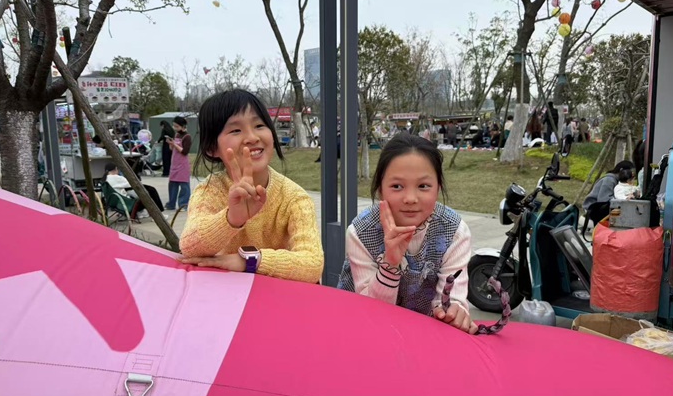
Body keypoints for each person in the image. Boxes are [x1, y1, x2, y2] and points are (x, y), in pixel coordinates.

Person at [337, 132, 478, 334]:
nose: (410, 198)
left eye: (423, 186)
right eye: (397, 186)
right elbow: (370, 312)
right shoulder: (361, 232)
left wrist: (453, 311)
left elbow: (452, 298)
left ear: (438, 188)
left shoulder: (454, 232)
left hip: (422, 333)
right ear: (380, 189)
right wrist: (390, 263)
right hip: (361, 329)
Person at [178, 88, 324, 283]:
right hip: (225, 294)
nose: (253, 137)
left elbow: (313, 264)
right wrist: (232, 219)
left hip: (277, 297)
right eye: (236, 130)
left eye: (259, 125)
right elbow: (189, 247)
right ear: (212, 148)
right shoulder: (211, 190)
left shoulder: (294, 198)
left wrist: (249, 261)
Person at [582, 160, 636, 227]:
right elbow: (603, 200)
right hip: (593, 209)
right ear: (621, 170)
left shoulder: (619, 182)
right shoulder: (609, 180)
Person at [165, 116, 192, 211]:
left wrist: (175, 145)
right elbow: (172, 149)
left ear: (183, 126)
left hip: (183, 164)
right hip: (174, 163)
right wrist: (170, 144)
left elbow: (185, 151)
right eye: (174, 126)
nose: (175, 128)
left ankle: (183, 204)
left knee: (184, 186)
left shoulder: (187, 137)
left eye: (176, 126)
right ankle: (171, 204)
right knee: (172, 184)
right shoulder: (176, 135)